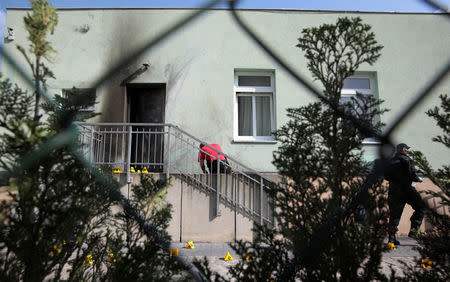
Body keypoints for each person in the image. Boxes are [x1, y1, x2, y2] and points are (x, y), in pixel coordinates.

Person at [385, 143, 426, 245]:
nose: (407, 150)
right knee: (421, 207)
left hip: (394, 191)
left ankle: (391, 239)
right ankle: (413, 231)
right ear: (403, 149)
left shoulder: (390, 161)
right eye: (406, 149)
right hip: (407, 190)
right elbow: (411, 173)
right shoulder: (406, 159)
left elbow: (386, 176)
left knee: (394, 215)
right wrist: (417, 179)